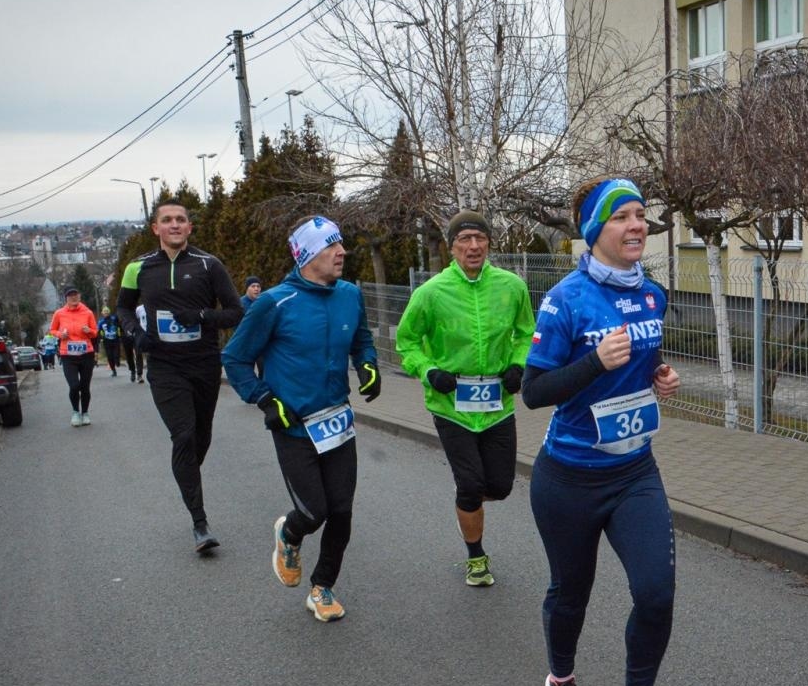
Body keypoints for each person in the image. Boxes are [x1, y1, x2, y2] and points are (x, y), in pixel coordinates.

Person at [522, 177, 683, 686]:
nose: (637, 225)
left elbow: (644, 364)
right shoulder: (565, 299)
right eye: (622, 217)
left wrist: (659, 378)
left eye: (641, 215)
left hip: (634, 471)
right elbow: (534, 391)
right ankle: (561, 679)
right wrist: (593, 361)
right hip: (568, 476)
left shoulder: (654, 295)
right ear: (595, 231)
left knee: (656, 592)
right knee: (573, 592)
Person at [222, 216, 380, 622]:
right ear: (308, 255)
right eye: (331, 246)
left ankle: (322, 587)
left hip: (338, 421)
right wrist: (263, 398)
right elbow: (235, 358)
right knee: (314, 512)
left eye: (341, 243)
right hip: (293, 425)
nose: (341, 252)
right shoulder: (273, 303)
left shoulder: (349, 295)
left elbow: (361, 338)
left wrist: (368, 365)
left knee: (341, 510)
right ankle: (289, 534)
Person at [395, 210, 534, 587]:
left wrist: (519, 365)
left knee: (501, 487)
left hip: (497, 403)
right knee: (471, 484)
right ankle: (476, 556)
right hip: (451, 404)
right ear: (452, 246)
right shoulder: (430, 293)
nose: (473, 247)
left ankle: (466, 505)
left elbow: (526, 333)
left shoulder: (511, 287)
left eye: (480, 239)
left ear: (489, 243)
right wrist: (428, 371)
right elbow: (405, 342)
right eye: (464, 240)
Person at [116, 199, 243, 552]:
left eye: (181, 220)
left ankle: (187, 474)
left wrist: (200, 317)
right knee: (183, 435)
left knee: (200, 437)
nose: (174, 225)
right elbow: (123, 307)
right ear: (155, 228)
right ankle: (200, 523)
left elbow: (235, 313)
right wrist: (134, 334)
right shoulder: (137, 268)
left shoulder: (209, 265)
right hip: (164, 366)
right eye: (167, 220)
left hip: (203, 364)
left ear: (189, 228)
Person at [49, 287, 100, 426]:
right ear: (66, 298)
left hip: (86, 354)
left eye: (75, 295)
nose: (73, 298)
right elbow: (52, 330)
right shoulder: (59, 313)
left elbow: (95, 332)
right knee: (74, 385)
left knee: (85, 386)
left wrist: (89, 331)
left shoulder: (88, 313)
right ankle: (75, 412)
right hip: (68, 355)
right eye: (70, 296)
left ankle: (85, 413)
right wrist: (60, 335)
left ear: (80, 296)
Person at [99, 307, 121, 377]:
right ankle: (113, 370)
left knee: (116, 353)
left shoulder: (114, 319)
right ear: (102, 313)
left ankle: (117, 361)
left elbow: (119, 325)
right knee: (109, 356)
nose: (106, 313)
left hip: (115, 339)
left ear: (109, 312)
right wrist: (100, 338)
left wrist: (120, 335)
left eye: (107, 312)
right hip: (107, 341)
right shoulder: (101, 322)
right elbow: (98, 331)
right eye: (104, 312)